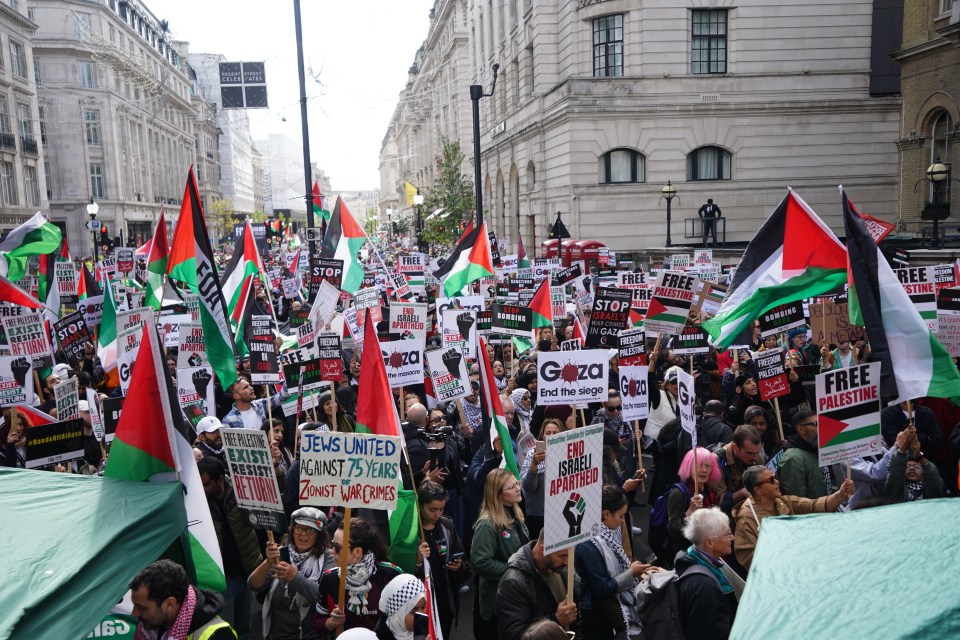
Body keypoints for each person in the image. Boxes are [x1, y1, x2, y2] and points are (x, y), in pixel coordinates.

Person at [733, 465, 854, 572]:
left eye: (775, 477)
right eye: (771, 480)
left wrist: (840, 495)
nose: (777, 482)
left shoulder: (783, 501)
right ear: (757, 490)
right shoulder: (746, 521)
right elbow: (752, 563)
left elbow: (814, 506)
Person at [197, 457, 263, 638]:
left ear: (219, 479)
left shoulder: (242, 491)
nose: (202, 489)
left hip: (246, 573)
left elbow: (268, 500)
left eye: (206, 484)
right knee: (225, 629)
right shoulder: (199, 503)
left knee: (244, 627)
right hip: (221, 579)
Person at [575, 486, 650, 640]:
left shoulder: (606, 532)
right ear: (606, 514)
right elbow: (602, 587)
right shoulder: (589, 544)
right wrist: (631, 573)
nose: (623, 521)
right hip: (598, 615)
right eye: (621, 516)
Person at [248, 507, 335, 639]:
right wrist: (267, 562)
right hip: (277, 634)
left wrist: (295, 578)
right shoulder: (280, 553)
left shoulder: (328, 558)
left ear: (319, 535)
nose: (303, 534)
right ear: (292, 531)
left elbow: (326, 597)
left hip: (310, 636)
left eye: (310, 530)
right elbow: (253, 585)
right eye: (299, 528)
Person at [471, 469, 530, 640]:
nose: (518, 488)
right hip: (497, 601)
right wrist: (514, 571)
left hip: (516, 594)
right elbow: (481, 562)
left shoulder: (515, 512)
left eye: (517, 484)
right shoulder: (487, 524)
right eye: (512, 487)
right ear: (498, 494)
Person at [315, 517, 401, 634]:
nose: (332, 551)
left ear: (357, 552)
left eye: (337, 547)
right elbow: (318, 624)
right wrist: (331, 622)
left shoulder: (391, 574)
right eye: (332, 544)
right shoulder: (330, 579)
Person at [497, 530, 578, 640]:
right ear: (543, 549)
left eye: (570, 555)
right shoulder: (513, 583)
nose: (567, 562)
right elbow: (514, 636)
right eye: (562, 555)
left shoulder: (559, 568)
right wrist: (556, 620)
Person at [415, 481, 470, 639]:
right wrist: (418, 561)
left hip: (445, 602)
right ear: (420, 506)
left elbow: (465, 565)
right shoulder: (412, 531)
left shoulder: (447, 525)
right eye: (432, 510)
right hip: (421, 606)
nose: (437, 514)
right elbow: (402, 572)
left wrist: (458, 567)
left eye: (441, 509)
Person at [130, 559, 235, 640]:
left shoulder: (218, 635)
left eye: (141, 608)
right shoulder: (152, 627)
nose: (134, 613)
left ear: (169, 604)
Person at [675, 508, 738, 640]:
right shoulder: (705, 587)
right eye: (727, 534)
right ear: (709, 542)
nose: (732, 537)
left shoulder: (691, 557)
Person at [664, 448, 722, 567]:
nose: (704, 470)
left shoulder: (709, 491)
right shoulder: (678, 493)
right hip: (687, 558)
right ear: (689, 467)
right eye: (699, 465)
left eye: (708, 466)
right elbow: (673, 531)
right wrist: (689, 513)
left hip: (707, 554)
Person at [520, 418, 567, 541]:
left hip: (561, 516)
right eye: (548, 433)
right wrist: (534, 465)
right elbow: (528, 487)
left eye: (555, 433)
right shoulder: (532, 455)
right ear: (543, 435)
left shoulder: (569, 454)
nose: (551, 436)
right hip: (538, 517)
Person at [777, 409, 832, 499]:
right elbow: (796, 503)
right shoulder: (793, 459)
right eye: (816, 424)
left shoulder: (815, 449)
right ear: (801, 429)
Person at [715, 425, 765, 516]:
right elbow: (720, 501)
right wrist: (742, 493)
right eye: (749, 453)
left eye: (757, 452)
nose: (754, 457)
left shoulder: (755, 456)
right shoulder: (718, 461)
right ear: (735, 447)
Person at [885, 426, 945, 502]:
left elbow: (932, 477)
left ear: (923, 472)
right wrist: (905, 444)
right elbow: (895, 472)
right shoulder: (896, 492)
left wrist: (919, 455)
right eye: (908, 466)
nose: (912, 468)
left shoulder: (930, 491)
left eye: (916, 466)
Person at [376, 573, 427, 640]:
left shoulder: (427, 632)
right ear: (398, 614)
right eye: (414, 611)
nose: (422, 615)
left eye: (423, 607)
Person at [222, 378, 287, 430]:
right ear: (236, 396)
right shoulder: (228, 420)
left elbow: (282, 397)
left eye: (249, 385)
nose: (251, 388)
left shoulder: (260, 405)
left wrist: (288, 375)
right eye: (246, 387)